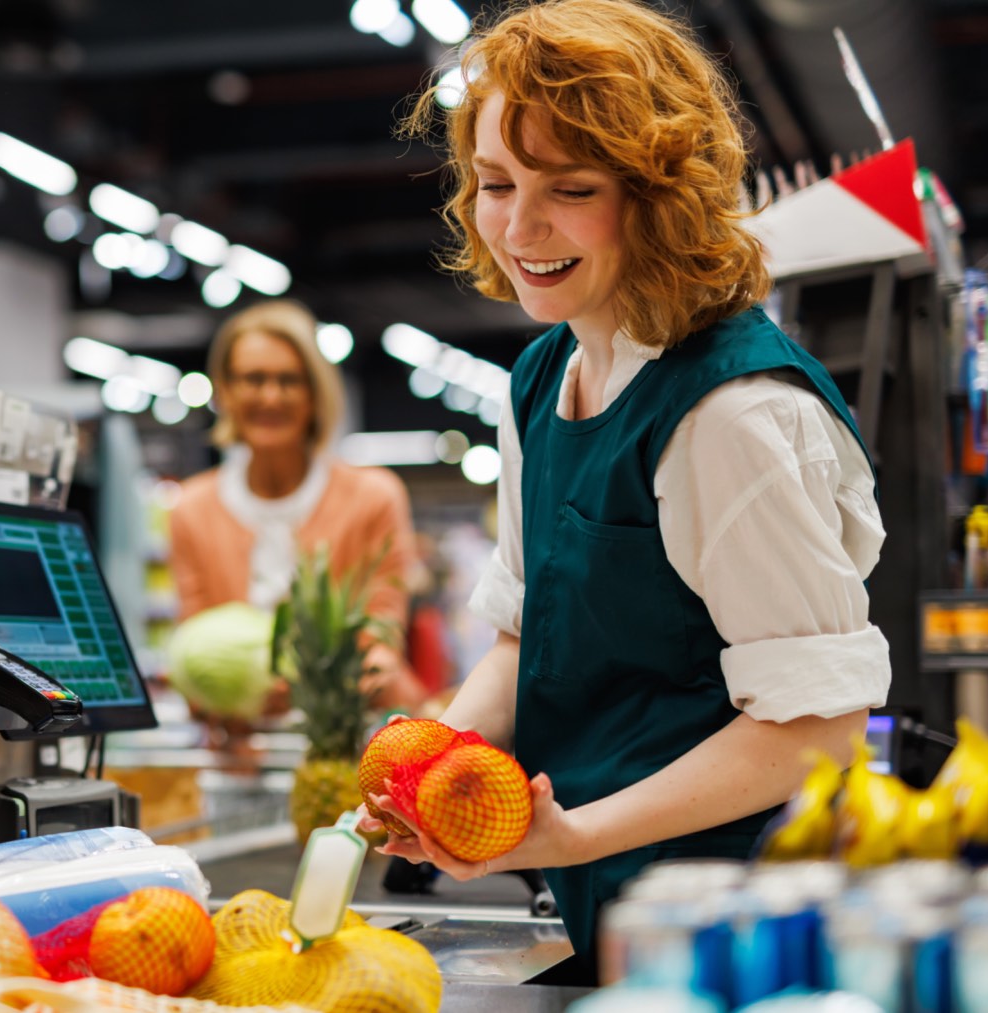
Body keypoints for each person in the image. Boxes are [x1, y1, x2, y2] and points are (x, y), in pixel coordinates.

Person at [361, 0, 890, 982]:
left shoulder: (731, 416)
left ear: (660, 195)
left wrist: (573, 833)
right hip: (610, 911)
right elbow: (526, 633)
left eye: (570, 187)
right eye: (495, 182)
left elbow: (815, 729)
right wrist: (431, 765)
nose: (520, 226)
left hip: (742, 932)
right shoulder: (539, 379)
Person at [168, 299, 427, 715]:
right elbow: (196, 637)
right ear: (226, 391)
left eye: (289, 380)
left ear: (314, 393)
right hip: (243, 732)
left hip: (360, 724)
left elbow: (382, 632)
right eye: (253, 379)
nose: (271, 396)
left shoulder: (375, 496)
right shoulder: (191, 509)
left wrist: (367, 671)